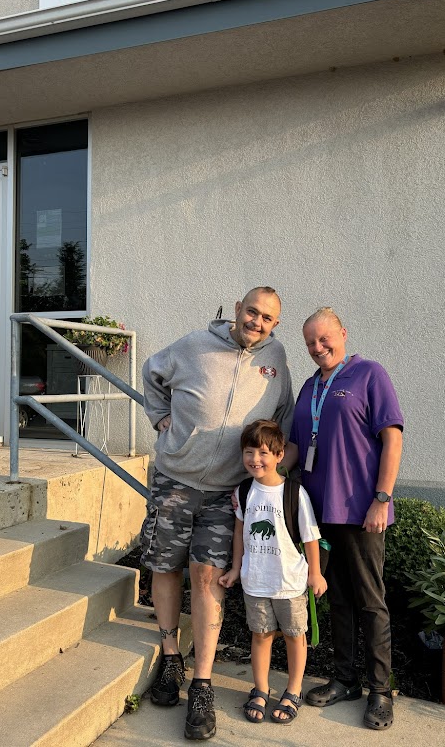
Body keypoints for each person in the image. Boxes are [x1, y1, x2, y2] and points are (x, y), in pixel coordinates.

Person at [141, 287, 294, 740]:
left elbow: (282, 414)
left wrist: (273, 470)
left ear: (275, 325)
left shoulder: (276, 360)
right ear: (238, 309)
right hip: (175, 479)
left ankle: (202, 684)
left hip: (227, 492)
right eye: (252, 312)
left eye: (267, 318)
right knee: (165, 567)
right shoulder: (194, 344)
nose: (257, 322)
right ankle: (172, 658)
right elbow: (152, 372)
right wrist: (160, 416)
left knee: (209, 577)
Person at [283, 307, 403, 731]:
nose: (318, 348)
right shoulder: (309, 387)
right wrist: (265, 476)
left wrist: (381, 499)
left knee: (370, 599)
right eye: (310, 343)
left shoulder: (369, 374)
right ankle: (345, 679)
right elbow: (296, 446)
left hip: (360, 511)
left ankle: (380, 690)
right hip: (317, 513)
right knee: (336, 598)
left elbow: (392, 439)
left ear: (343, 334)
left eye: (324, 338)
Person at [219, 419, 327, 725]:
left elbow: (310, 536)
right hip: (256, 581)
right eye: (249, 452)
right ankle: (261, 689)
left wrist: (315, 574)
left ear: (279, 456)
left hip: (289, 582)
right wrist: (236, 568)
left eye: (263, 452)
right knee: (261, 635)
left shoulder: (294, 493)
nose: (255, 459)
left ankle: (293, 691)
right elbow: (239, 532)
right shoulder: (244, 491)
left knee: (295, 636)